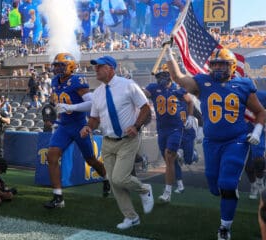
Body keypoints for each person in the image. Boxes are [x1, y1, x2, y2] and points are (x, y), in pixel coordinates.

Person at [164, 44, 266, 240]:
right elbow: (178, 78)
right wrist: (169, 54)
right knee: (214, 186)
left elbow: (260, 112)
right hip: (211, 142)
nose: (218, 68)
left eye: (222, 65)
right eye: (215, 65)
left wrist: (258, 130)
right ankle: (226, 196)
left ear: (232, 66)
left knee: (227, 184)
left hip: (236, 140)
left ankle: (225, 228)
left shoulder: (244, 85)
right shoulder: (203, 82)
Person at [80, 55, 153, 230]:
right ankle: (131, 217)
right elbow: (95, 118)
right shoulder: (97, 93)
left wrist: (136, 126)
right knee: (113, 182)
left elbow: (145, 108)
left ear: (111, 68)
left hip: (128, 139)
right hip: (108, 141)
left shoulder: (128, 85)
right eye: (95, 67)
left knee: (120, 178)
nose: (95, 69)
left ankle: (144, 189)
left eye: (99, 66)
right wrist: (88, 127)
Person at [44, 53, 109, 209]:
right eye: (56, 65)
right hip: (63, 125)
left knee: (91, 160)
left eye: (61, 65)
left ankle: (107, 178)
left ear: (71, 66)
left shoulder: (76, 80)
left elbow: (92, 104)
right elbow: (58, 101)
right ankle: (58, 197)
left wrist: (71, 107)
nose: (58, 68)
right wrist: (52, 113)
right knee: (51, 156)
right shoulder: (54, 81)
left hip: (79, 125)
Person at [142, 64, 196, 202]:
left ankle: (167, 193)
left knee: (169, 155)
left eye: (163, 75)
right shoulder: (153, 88)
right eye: (159, 76)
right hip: (161, 129)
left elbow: (190, 102)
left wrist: (190, 116)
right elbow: (143, 95)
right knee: (168, 161)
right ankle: (177, 184)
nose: (161, 79)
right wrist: (135, 89)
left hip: (176, 129)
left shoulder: (177, 89)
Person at [245, 90, 266, 200]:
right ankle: (254, 184)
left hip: (258, 130)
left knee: (258, 160)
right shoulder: (233, 95)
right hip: (241, 131)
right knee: (246, 166)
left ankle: (259, 181)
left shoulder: (261, 96)